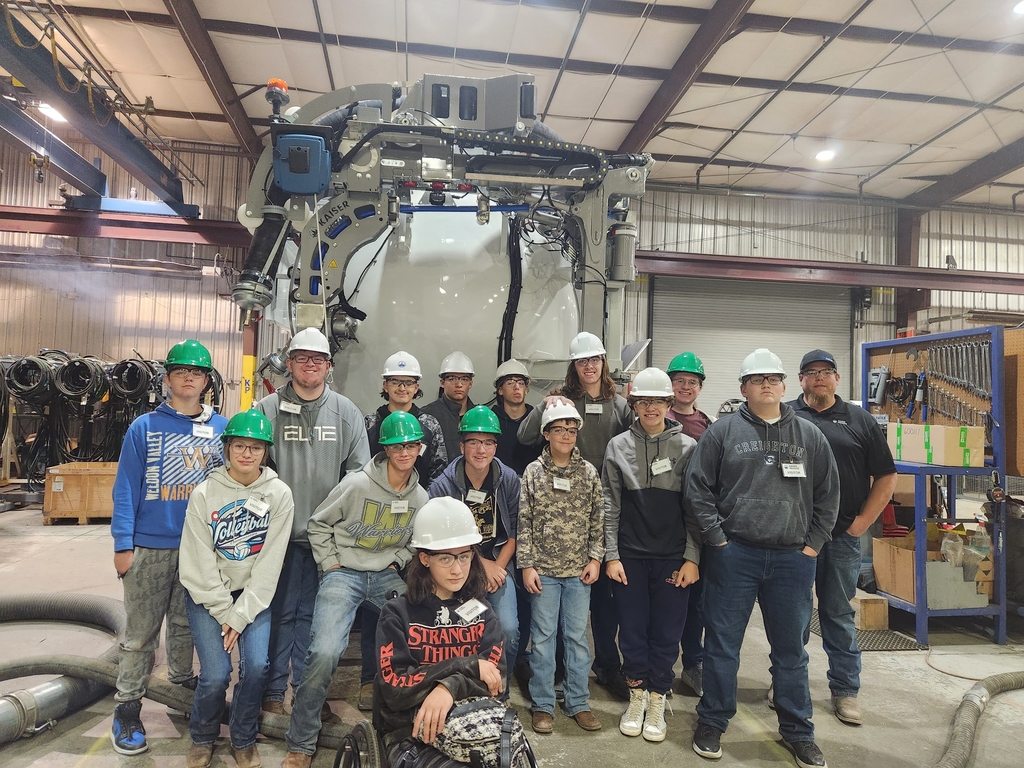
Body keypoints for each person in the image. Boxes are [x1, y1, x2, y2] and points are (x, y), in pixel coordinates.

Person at [686, 348, 839, 768]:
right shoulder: (722, 432)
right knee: (721, 646)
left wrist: (812, 545)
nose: (767, 385)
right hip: (735, 556)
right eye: (758, 380)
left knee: (791, 651)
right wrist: (717, 540)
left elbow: (829, 495)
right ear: (743, 388)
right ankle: (713, 720)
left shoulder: (809, 436)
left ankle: (798, 731)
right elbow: (697, 490)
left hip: (792, 559)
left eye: (773, 378)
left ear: (785, 386)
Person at [282, 410, 429, 768]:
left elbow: (417, 542)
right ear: (386, 449)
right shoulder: (356, 485)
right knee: (325, 651)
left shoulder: (420, 497)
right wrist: (330, 564)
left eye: (412, 446)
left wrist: (397, 559)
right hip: (343, 573)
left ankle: (415, 729)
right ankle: (300, 741)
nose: (405, 453)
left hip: (384, 576)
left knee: (420, 640)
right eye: (398, 446)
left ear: (420, 449)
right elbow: (318, 524)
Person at [109, 339, 228, 755]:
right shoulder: (144, 428)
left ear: (207, 382)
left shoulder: (221, 430)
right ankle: (127, 707)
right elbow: (125, 488)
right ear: (167, 379)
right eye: (181, 371)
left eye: (197, 372)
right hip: (149, 546)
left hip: (199, 549)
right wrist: (123, 544)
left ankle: (181, 683)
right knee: (141, 634)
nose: (189, 377)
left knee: (185, 625)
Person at [256, 327, 371, 720]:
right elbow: (246, 470)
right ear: (289, 364)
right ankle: (272, 693)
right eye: (302, 357)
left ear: (329, 366)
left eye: (317, 359)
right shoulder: (266, 411)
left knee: (316, 621)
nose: (310, 365)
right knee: (278, 615)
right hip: (277, 538)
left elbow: (360, 478)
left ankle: (307, 695)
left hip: (325, 541)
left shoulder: (346, 413)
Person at [517, 331, 632, 700]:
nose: (589, 366)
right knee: (555, 619)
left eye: (594, 359)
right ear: (574, 366)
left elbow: (634, 444)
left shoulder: (619, 405)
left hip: (601, 505)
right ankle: (559, 672)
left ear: (603, 362)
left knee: (602, 602)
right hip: (558, 509)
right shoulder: (563, 401)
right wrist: (544, 404)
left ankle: (606, 667)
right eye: (582, 361)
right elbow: (523, 437)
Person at [179, 410, 294, 768]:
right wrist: (225, 612)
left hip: (253, 596)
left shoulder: (278, 494)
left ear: (265, 452)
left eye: (255, 448)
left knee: (258, 666)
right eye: (239, 446)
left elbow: (270, 563)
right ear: (227, 448)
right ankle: (203, 736)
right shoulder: (204, 494)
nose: (247, 454)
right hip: (208, 595)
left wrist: (242, 614)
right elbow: (198, 561)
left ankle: (243, 737)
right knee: (214, 675)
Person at [788, 349, 897, 727]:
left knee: (837, 612)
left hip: (841, 535)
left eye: (826, 372)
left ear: (837, 379)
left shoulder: (859, 420)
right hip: (795, 537)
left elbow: (886, 474)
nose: (819, 377)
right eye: (811, 372)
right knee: (794, 613)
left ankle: (846, 690)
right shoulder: (786, 416)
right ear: (800, 379)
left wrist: (863, 522)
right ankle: (788, 684)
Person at [603, 368, 700, 743]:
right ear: (634, 404)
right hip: (629, 556)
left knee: (666, 631)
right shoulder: (618, 446)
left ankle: (658, 697)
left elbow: (695, 509)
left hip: (672, 558)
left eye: (658, 401)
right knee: (631, 630)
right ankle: (636, 695)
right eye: (643, 401)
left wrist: (691, 557)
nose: (650, 408)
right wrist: (612, 555)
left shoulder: (688, 448)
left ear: (669, 404)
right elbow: (610, 505)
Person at [374, 497, 506, 766]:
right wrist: (465, 665)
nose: (457, 569)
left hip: (475, 729)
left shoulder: (483, 615)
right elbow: (395, 689)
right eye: (445, 558)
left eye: (464, 556)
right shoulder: (397, 613)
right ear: (424, 558)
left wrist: (449, 688)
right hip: (412, 734)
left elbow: (496, 686)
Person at [361, 350, 448, 711]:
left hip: (417, 524)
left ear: (417, 387)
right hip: (377, 524)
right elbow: (358, 470)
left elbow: (440, 471)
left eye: (409, 382)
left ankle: (412, 673)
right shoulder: (369, 422)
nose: (402, 388)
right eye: (396, 382)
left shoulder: (429, 426)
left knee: (416, 602)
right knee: (373, 608)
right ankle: (370, 677)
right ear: (385, 385)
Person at [518, 402, 604, 734]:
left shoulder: (589, 473)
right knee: (542, 640)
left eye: (571, 429)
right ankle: (542, 705)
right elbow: (523, 522)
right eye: (559, 429)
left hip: (579, 571)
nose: (566, 435)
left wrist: (595, 559)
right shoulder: (533, 473)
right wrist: (527, 566)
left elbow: (598, 521)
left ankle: (577, 702)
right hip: (543, 572)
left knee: (577, 639)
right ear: (546, 434)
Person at [429, 405, 520, 694]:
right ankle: (461, 690)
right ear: (462, 445)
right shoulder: (443, 486)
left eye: (488, 442)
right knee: (460, 632)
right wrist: (482, 566)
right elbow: (440, 537)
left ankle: (498, 693)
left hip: (498, 566)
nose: (481, 450)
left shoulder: (507, 480)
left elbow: (518, 529)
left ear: (496, 445)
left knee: (509, 630)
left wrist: (499, 566)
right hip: (459, 569)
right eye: (474, 442)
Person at [666, 351, 713, 699]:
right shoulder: (654, 416)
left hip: (695, 521)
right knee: (666, 599)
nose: (685, 386)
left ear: (699, 388)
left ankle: (693, 663)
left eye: (691, 382)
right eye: (680, 380)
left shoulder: (707, 426)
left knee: (695, 601)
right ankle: (662, 664)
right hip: (662, 522)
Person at [491, 359, 542, 476]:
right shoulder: (491, 419)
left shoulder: (537, 420)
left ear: (526, 390)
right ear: (500, 390)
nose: (516, 387)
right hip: (499, 483)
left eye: (521, 383)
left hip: (531, 483)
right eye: (510, 383)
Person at [422, 351, 476, 460]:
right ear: (442, 383)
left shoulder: (479, 416)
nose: (459, 384)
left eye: (464, 379)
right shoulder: (427, 416)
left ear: (470, 383)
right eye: (452, 379)